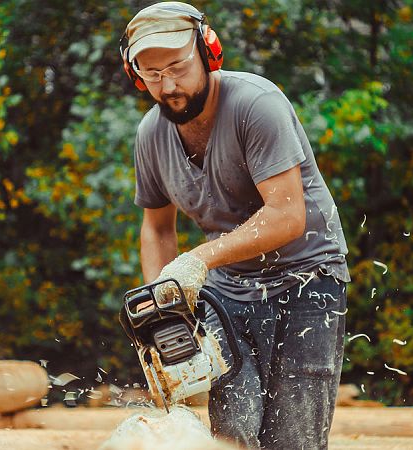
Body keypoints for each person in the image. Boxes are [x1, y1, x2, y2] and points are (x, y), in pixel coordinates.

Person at [119, 2, 351, 449]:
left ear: (209, 53)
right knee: (233, 432)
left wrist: (198, 259)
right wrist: (166, 308)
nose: (168, 86)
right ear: (136, 75)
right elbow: (157, 229)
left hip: (307, 278)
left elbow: (287, 216)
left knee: (291, 438)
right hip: (228, 289)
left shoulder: (256, 106)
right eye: (152, 74)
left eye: (177, 67)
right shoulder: (151, 135)